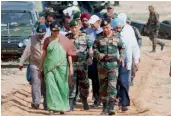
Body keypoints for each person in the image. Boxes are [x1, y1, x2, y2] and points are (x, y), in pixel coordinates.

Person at [38, 21, 76, 115]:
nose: (56, 32)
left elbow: (69, 55)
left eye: (58, 30)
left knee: (62, 87)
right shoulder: (47, 40)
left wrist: (71, 67)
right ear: (51, 30)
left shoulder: (65, 40)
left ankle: (62, 107)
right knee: (51, 86)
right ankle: (52, 107)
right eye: (54, 31)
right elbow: (44, 55)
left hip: (62, 67)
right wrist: (40, 68)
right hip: (49, 67)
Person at [93, 18, 125, 115]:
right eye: (104, 28)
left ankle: (111, 108)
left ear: (111, 26)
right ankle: (104, 107)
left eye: (107, 27)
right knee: (103, 87)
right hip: (102, 66)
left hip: (113, 65)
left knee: (112, 86)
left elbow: (122, 48)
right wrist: (98, 54)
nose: (106, 29)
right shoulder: (98, 37)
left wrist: (122, 56)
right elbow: (94, 49)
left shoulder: (117, 36)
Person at [112, 13, 140, 111]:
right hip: (112, 61)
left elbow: (134, 46)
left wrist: (136, 60)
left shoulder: (129, 30)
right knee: (114, 82)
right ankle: (114, 100)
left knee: (124, 81)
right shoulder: (112, 28)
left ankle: (123, 103)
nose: (119, 25)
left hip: (126, 61)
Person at [18, 24, 48, 109]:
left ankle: (47, 103)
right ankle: (36, 102)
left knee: (46, 84)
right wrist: (21, 63)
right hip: (35, 64)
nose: (40, 36)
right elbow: (27, 51)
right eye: (39, 34)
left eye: (42, 34)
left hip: (46, 65)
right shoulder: (32, 39)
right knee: (36, 82)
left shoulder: (49, 39)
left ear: (45, 33)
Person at [66, 19, 93, 111]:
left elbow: (90, 49)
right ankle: (70, 104)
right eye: (72, 27)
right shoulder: (67, 38)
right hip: (71, 64)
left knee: (84, 84)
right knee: (71, 84)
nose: (74, 29)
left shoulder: (85, 37)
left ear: (79, 26)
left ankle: (84, 100)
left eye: (75, 27)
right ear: (70, 28)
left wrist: (90, 58)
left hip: (83, 64)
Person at [126, 16, 142, 86]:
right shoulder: (122, 29)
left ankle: (131, 79)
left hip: (133, 50)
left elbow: (139, 39)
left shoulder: (134, 29)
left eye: (128, 22)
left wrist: (137, 47)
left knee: (133, 66)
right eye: (126, 22)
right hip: (125, 50)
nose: (127, 23)